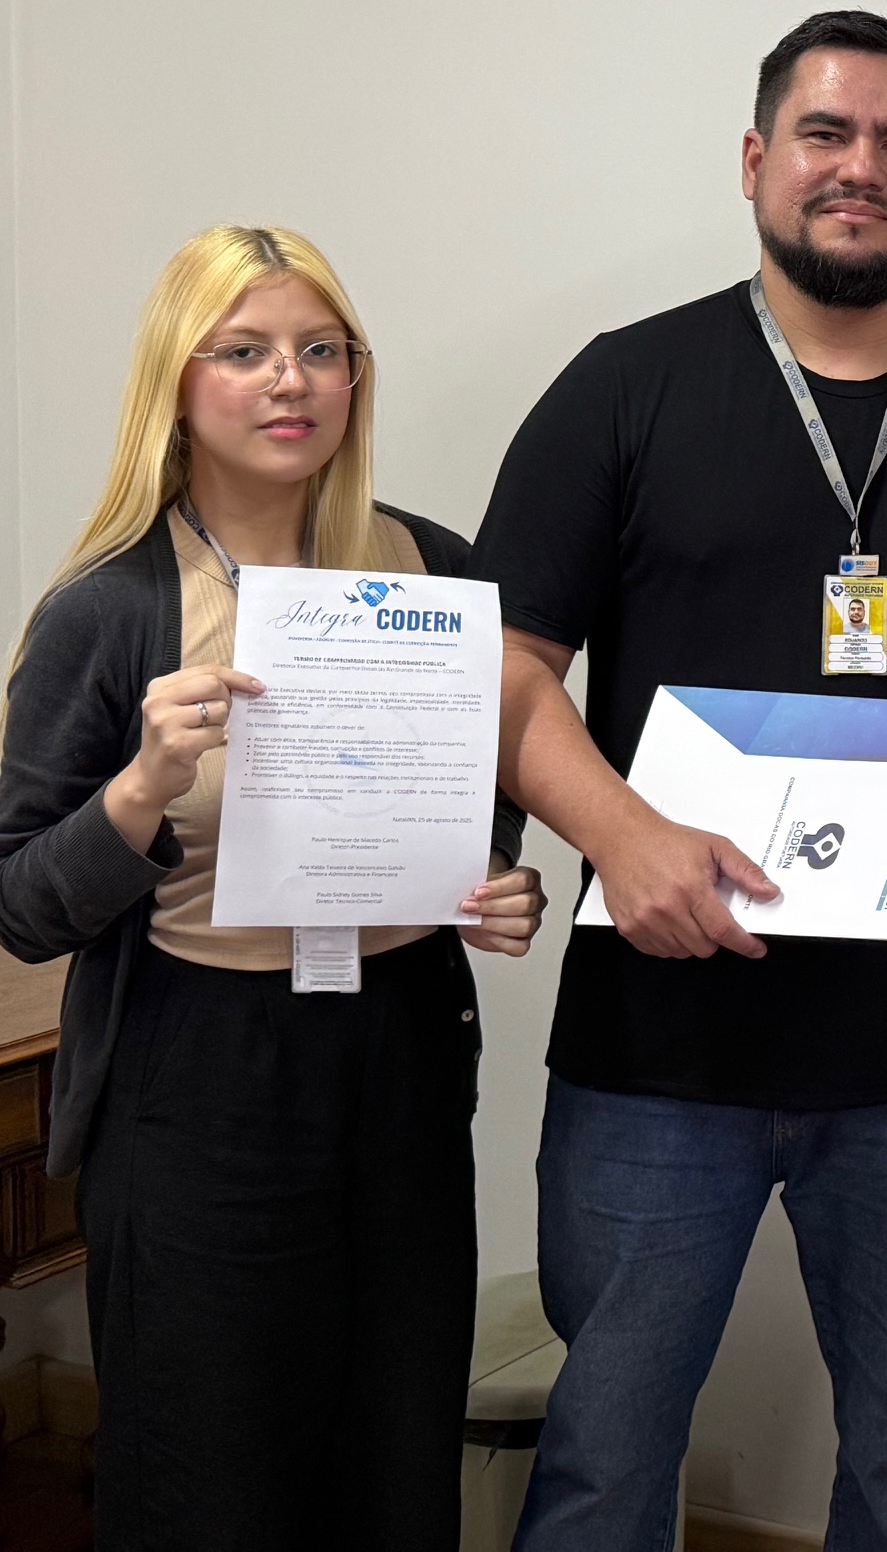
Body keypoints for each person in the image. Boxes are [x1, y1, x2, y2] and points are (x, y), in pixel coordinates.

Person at [481, 10, 887, 1551]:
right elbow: (501, 669)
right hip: (657, 1041)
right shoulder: (625, 387)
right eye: (826, 134)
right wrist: (623, 835)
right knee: (604, 1458)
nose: (862, 168)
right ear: (756, 159)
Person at [0, 224, 544, 1551]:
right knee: (211, 1466)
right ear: (176, 383)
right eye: (243, 352)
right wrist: (140, 785)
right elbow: (20, 900)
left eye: (319, 350)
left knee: (395, 1448)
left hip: (400, 1048)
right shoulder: (113, 607)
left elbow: (489, 783)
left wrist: (491, 877)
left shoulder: (436, 565)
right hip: (199, 1068)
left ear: (357, 377)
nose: (289, 380)